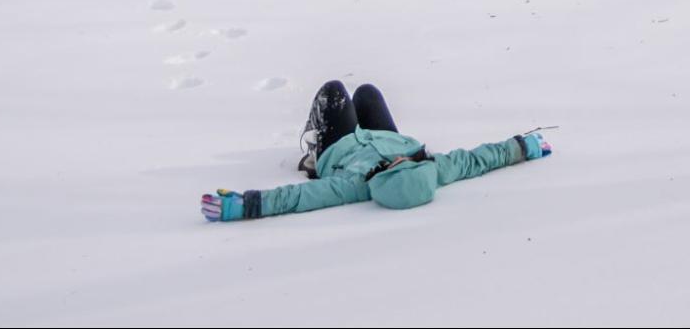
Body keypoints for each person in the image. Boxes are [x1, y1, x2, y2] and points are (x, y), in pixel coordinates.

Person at [198, 80, 550, 224]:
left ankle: (312, 152)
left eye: (393, 168)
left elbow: (299, 198)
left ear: (381, 178)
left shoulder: (354, 184)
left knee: (334, 91)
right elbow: (480, 159)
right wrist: (523, 146)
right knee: (366, 93)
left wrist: (244, 205)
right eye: (406, 164)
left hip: (341, 149)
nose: (399, 161)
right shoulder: (434, 167)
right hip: (385, 135)